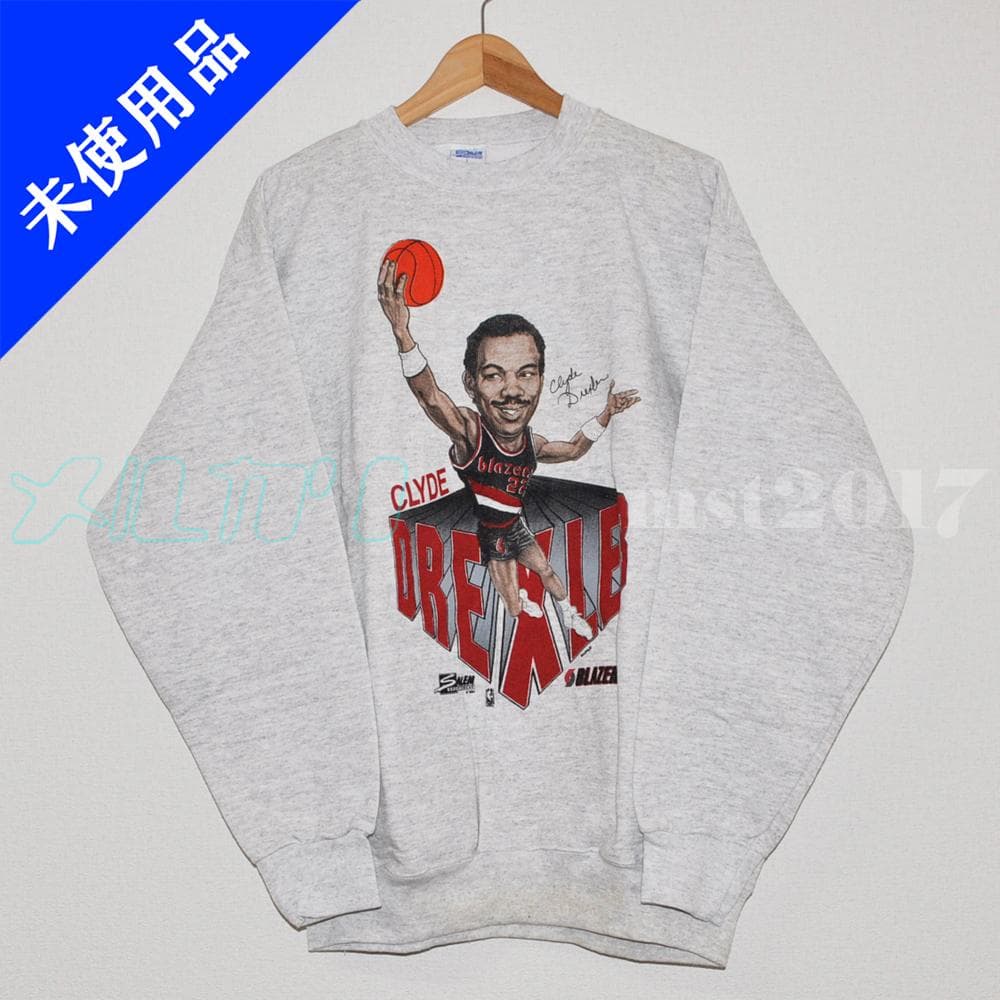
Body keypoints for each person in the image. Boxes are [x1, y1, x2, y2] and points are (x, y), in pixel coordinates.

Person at [378, 256, 640, 640]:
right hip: (492, 536)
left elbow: (573, 450)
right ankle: (519, 600)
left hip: (516, 527)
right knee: (514, 608)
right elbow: (431, 398)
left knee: (547, 570)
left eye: (526, 373)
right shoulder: (471, 433)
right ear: (471, 384)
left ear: (540, 380)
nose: (512, 390)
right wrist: (403, 334)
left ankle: (569, 614)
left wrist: (607, 413)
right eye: (493, 375)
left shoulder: (532, 444)